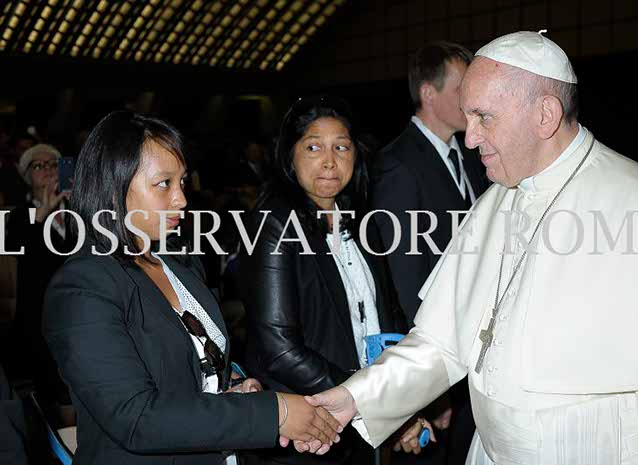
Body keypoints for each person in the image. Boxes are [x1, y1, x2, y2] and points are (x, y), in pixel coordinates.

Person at [305, 31, 638, 465]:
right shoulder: (496, 200)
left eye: (484, 117)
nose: (470, 138)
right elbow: (442, 342)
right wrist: (353, 398)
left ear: (545, 114)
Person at [43, 111, 342, 465]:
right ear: (115, 186)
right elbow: (137, 419)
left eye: (182, 182)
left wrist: (236, 387)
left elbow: (196, 366)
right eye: (164, 184)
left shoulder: (177, 263)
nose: (182, 199)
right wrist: (273, 413)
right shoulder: (82, 287)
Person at [239, 95, 432, 464]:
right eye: (314, 147)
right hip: (305, 429)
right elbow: (279, 350)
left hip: (358, 423)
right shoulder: (274, 224)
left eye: (341, 147)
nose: (330, 161)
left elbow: (387, 315)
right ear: (289, 155)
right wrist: (375, 402)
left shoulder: (361, 220)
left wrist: (401, 397)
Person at [371, 40, 489, 465]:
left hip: (476, 347)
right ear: (428, 93)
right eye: (463, 89)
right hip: (440, 354)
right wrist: (430, 384)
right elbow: (407, 283)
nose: (473, 101)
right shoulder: (398, 166)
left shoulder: (473, 156)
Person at [5, 144, 77, 425]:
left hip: (78, 312)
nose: (48, 169)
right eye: (39, 166)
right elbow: (22, 257)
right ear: (26, 176)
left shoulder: (78, 214)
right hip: (40, 320)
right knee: (60, 389)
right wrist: (42, 217)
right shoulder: (18, 217)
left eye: (53, 164)